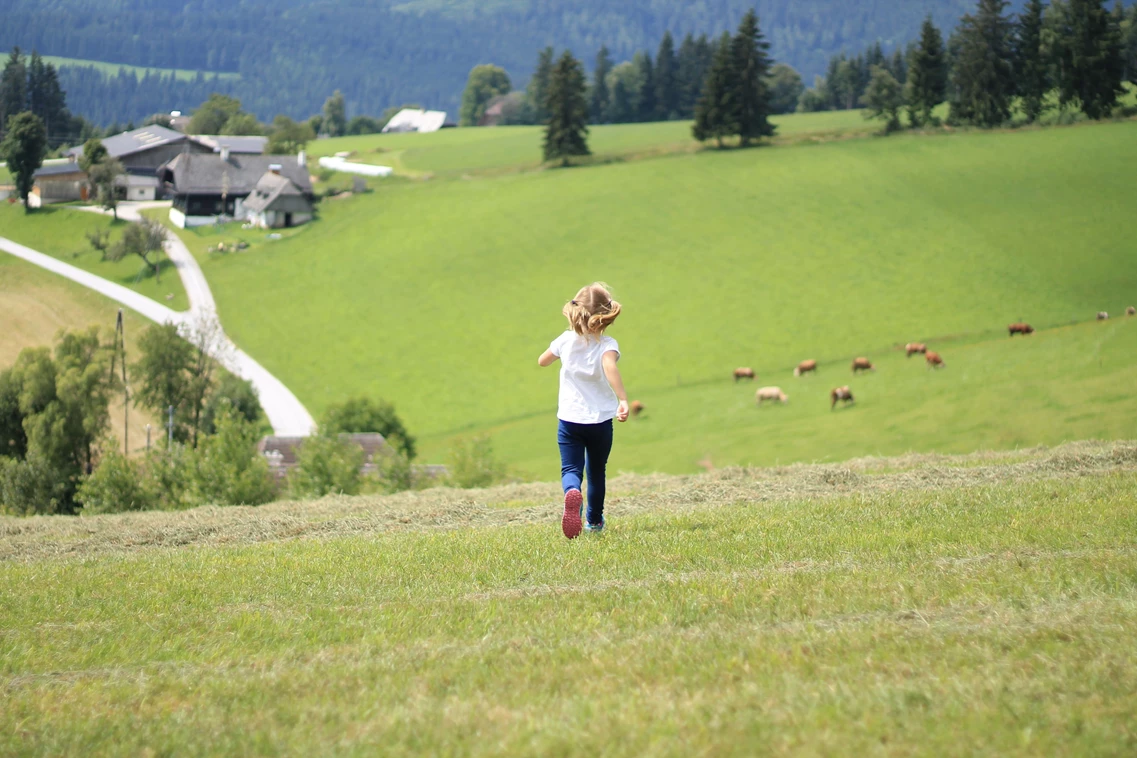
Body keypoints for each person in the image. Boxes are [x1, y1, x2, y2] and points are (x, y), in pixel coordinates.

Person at [538, 282, 630, 539]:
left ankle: (571, 492)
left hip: (570, 419)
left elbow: (542, 361)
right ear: (605, 315)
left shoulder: (565, 340)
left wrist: (560, 352)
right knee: (596, 471)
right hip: (600, 421)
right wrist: (622, 399)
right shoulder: (607, 344)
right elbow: (610, 367)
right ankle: (594, 521)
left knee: (571, 469)